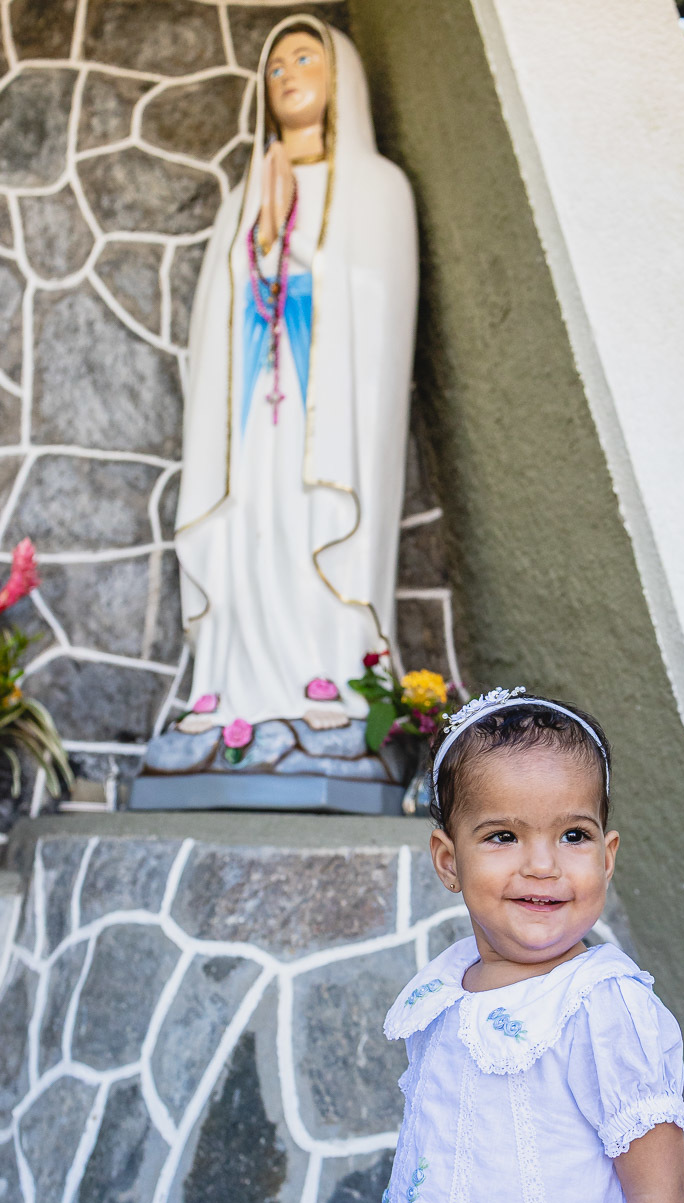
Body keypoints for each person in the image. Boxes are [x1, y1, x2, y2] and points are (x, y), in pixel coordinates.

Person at [375, 687, 684, 1203]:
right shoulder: (446, 988)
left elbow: (658, 1191)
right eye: (503, 836)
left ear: (607, 855)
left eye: (574, 835)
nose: (543, 865)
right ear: (449, 861)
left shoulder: (601, 1005)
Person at [175, 15, 417, 733]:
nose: (285, 75)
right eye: (274, 67)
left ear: (340, 77)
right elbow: (215, 309)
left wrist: (294, 240)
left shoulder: (377, 186)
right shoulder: (246, 191)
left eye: (303, 59)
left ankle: (328, 667)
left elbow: (378, 304)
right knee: (246, 517)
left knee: (312, 513)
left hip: (326, 402)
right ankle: (228, 678)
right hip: (254, 397)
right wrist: (261, 235)